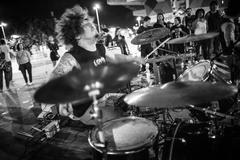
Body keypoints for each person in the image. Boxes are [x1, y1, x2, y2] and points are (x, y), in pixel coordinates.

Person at [47, 5, 144, 121]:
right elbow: (55, 77)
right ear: (77, 36)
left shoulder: (100, 48)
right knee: (119, 117)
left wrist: (133, 58)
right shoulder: (72, 56)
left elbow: (116, 58)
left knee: (134, 102)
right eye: (85, 25)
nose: (91, 24)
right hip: (85, 108)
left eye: (89, 22)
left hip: (103, 97)